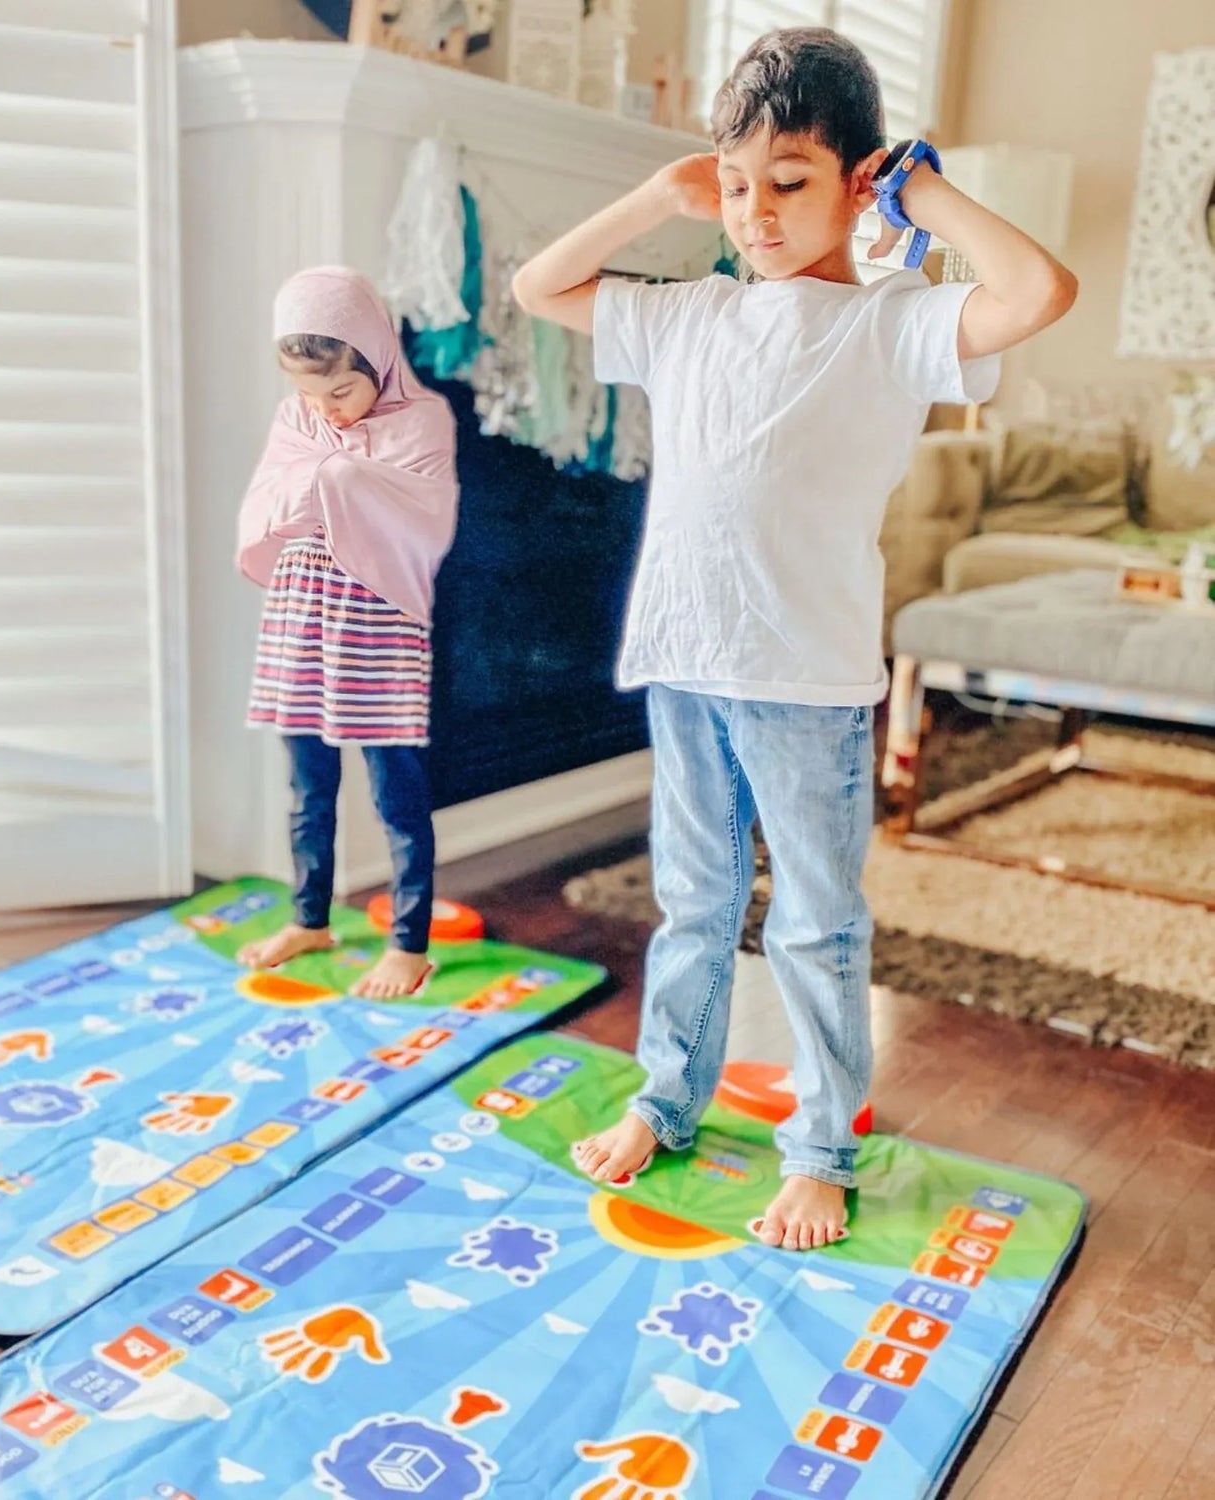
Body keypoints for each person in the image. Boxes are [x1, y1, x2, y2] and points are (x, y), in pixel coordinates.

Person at [512, 27, 1076, 1249]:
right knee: (694, 904)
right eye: (735, 185)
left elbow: (1039, 293)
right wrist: (656, 197)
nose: (755, 214)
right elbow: (537, 290)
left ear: (852, 178)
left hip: (806, 678)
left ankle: (822, 1147)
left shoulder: (893, 327)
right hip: (683, 658)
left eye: (790, 182)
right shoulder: (690, 314)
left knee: (817, 920)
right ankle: (668, 1101)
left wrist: (919, 191)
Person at [235, 267, 458, 999]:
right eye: (308, 396)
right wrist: (341, 477)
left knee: (396, 787)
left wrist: (333, 482)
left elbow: (418, 520)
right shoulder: (295, 420)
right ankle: (310, 915)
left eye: (341, 393)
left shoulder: (421, 422)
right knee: (307, 783)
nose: (325, 412)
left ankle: (409, 941)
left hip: (376, 623)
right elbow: (272, 501)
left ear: (377, 360)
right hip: (301, 620)